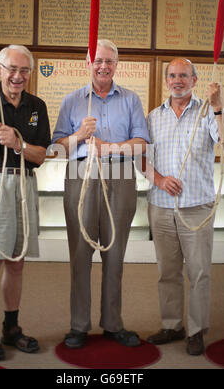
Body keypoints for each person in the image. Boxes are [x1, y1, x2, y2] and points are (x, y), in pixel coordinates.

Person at [52, 39, 150, 349]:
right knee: (81, 254)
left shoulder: (131, 100)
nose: (103, 66)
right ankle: (79, 325)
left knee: (115, 253)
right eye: (98, 60)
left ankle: (112, 323)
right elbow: (55, 149)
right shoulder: (72, 101)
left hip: (120, 175)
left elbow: (141, 143)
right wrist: (79, 136)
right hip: (82, 175)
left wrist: (110, 147)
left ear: (116, 65)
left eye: (109, 61)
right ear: (88, 63)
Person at [145, 58, 224, 355]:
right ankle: (173, 324)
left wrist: (219, 107)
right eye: (172, 75)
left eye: (183, 75)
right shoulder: (153, 117)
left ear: (194, 80)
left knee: (198, 272)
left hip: (196, 206)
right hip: (160, 207)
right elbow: (140, 161)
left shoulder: (209, 111)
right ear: (166, 80)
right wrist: (158, 179)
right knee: (167, 271)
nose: (177, 80)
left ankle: (197, 330)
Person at [0, 45, 51, 361]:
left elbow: (41, 155)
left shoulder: (36, 105)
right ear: (0, 69)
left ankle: (11, 327)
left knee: (17, 262)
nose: (17, 76)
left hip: (23, 183)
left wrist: (19, 143)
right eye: (11, 69)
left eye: (24, 70)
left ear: (30, 73)